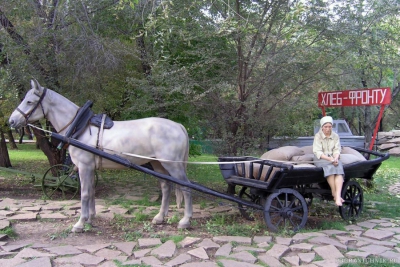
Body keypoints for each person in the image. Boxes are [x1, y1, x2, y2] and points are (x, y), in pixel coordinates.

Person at [313, 116, 345, 206]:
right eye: (325, 127)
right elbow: (317, 152)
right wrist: (329, 159)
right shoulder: (318, 136)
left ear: (332, 127)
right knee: (329, 168)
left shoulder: (335, 136)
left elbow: (337, 149)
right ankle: (334, 193)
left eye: (329, 127)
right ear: (322, 127)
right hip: (321, 158)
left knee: (338, 169)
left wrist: (335, 158)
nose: (327, 129)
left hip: (332, 157)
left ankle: (337, 196)